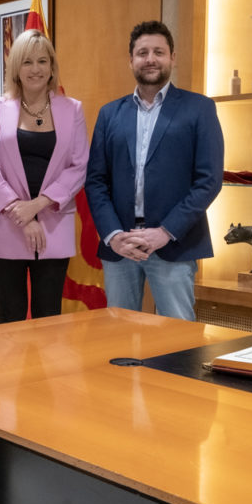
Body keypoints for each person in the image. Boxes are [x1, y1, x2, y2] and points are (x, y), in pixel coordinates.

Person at [84, 20, 225, 321]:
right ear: (130, 60)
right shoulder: (109, 114)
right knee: (118, 340)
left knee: (177, 343)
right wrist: (113, 235)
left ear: (173, 57)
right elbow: (95, 181)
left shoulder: (199, 109)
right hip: (120, 247)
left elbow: (209, 181)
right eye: (142, 52)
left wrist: (165, 232)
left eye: (158, 52)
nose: (150, 59)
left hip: (174, 244)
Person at [0, 30, 88, 323]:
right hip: (7, 225)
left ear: (52, 67)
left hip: (53, 223)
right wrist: (22, 214)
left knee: (49, 318)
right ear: (16, 68)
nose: (36, 69)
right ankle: (10, 372)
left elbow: (78, 167)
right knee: (10, 318)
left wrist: (37, 206)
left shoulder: (72, 109)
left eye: (42, 61)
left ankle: (48, 373)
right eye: (27, 62)